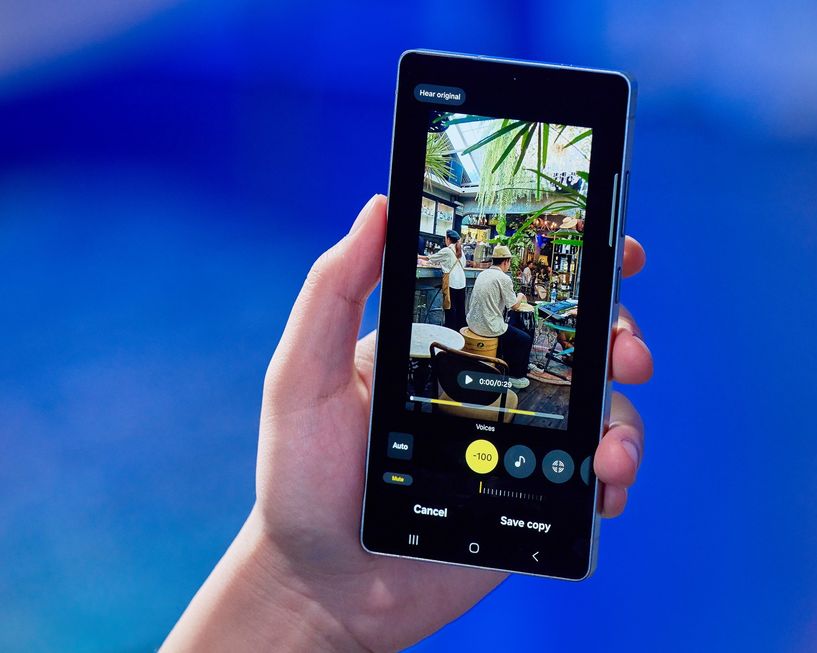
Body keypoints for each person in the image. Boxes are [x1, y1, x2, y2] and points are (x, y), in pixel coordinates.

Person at [160, 196, 653, 652]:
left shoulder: (476, 273)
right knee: (522, 339)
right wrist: (300, 582)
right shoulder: (498, 277)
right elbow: (512, 308)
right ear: (507, 262)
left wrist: (301, 588)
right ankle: (515, 380)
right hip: (491, 337)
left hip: (466, 335)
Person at [466, 244, 534, 388]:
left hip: (472, 322)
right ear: (506, 261)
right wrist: (520, 295)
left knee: (511, 331)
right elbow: (513, 306)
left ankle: (504, 363)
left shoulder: (483, 273)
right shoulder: (504, 278)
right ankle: (515, 376)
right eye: (509, 262)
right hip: (488, 327)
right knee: (525, 339)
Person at [418, 229, 466, 331]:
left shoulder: (447, 250)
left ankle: (450, 331)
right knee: (460, 309)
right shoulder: (461, 251)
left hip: (452, 282)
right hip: (462, 283)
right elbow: (463, 264)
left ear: (448, 239)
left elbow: (430, 258)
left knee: (450, 308)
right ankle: (460, 332)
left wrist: (418, 257)